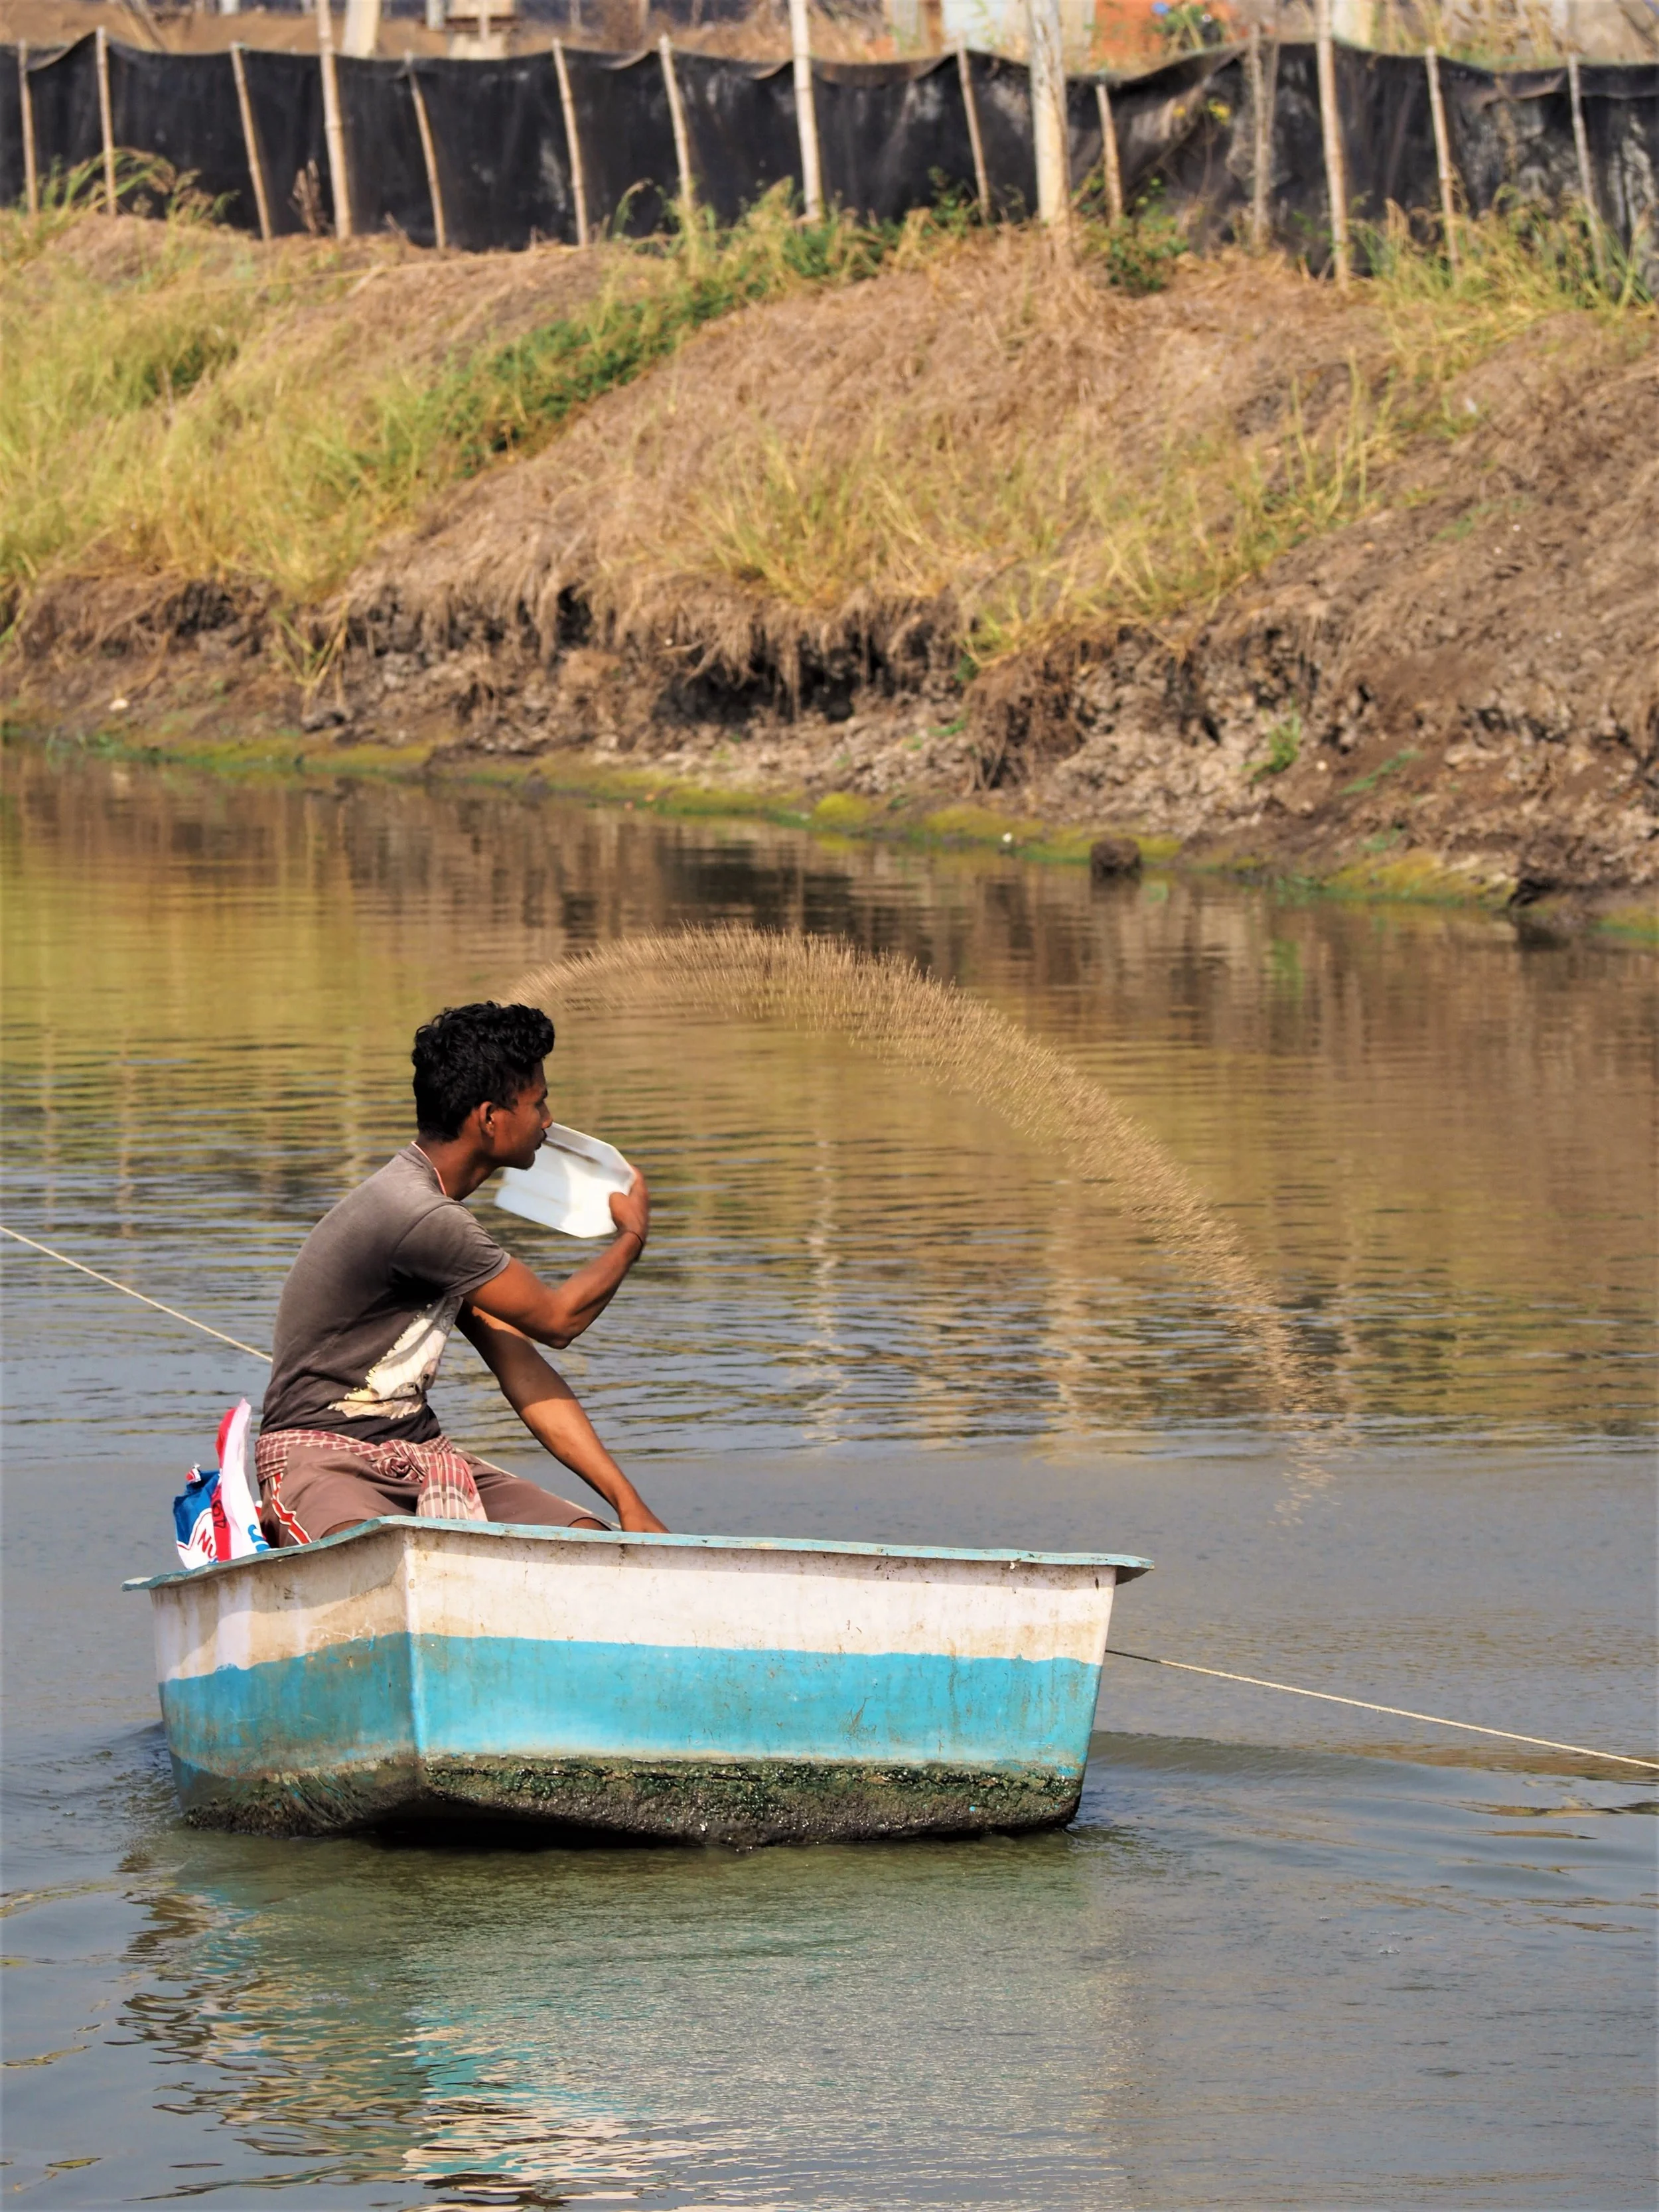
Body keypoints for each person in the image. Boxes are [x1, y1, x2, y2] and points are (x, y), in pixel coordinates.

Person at [255, 1001, 667, 1545]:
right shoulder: (421, 1217)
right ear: (490, 1118)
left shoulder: (438, 1222)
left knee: (585, 1539)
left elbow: (525, 1369)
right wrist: (632, 1237)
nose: (547, 1121)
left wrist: (626, 1502)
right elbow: (559, 1320)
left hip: (420, 1452)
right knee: (370, 1556)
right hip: (321, 1456)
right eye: (538, 1103)